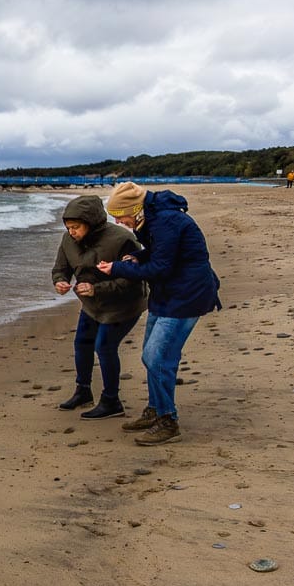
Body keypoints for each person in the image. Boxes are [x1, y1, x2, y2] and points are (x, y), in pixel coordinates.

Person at [96, 182, 221, 445]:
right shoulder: (154, 217)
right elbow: (162, 252)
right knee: (156, 357)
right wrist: (139, 256)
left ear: (135, 208)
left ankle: (168, 421)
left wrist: (118, 268)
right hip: (168, 294)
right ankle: (155, 410)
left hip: (186, 296)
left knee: (156, 358)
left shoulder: (166, 220)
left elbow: (161, 268)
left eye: (121, 216)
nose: (121, 223)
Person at [51, 195, 147, 419]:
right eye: (68, 227)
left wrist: (97, 290)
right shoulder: (68, 240)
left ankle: (111, 401)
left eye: (76, 227)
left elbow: (134, 279)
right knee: (82, 343)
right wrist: (59, 281)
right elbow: (60, 268)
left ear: (91, 222)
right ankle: (83, 391)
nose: (71, 232)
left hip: (124, 304)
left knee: (104, 346)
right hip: (92, 305)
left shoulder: (123, 238)